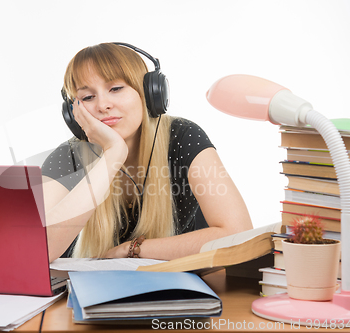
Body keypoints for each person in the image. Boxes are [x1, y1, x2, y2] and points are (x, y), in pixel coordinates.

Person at [42, 43, 252, 263]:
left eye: (116, 89)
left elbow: (238, 235)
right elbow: (39, 249)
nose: (103, 105)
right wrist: (113, 153)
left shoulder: (182, 138)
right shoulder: (69, 156)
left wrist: (131, 249)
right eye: (87, 97)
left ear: (149, 93)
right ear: (73, 112)